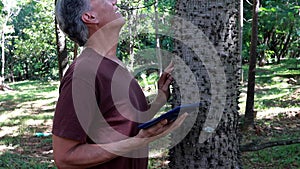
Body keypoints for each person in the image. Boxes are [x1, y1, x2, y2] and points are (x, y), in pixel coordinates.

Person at [52, 0, 188, 168]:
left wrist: (161, 98)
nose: (114, 1)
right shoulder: (83, 73)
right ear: (89, 16)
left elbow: (125, 123)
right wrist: (139, 141)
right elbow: (65, 157)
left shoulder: (114, 64)